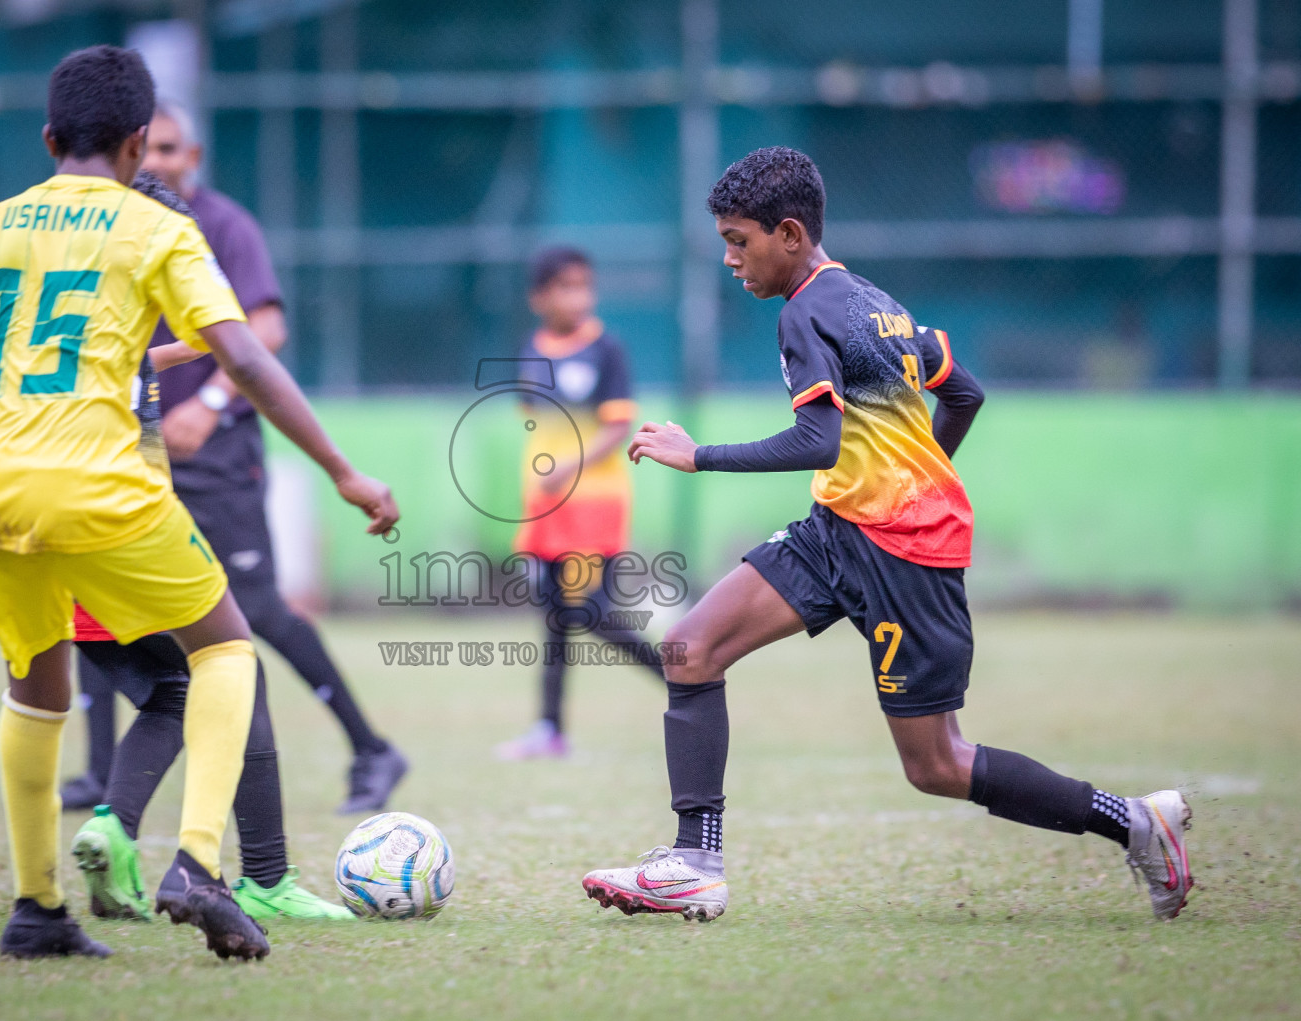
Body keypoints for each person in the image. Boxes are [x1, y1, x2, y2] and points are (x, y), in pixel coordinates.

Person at [579, 147, 1192, 923]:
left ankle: (1137, 823)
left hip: (905, 555)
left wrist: (696, 456)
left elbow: (819, 441)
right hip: (838, 532)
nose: (731, 259)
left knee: (936, 765)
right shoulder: (878, 304)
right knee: (690, 648)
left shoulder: (804, 311)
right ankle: (695, 862)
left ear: (790, 233)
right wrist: (921, 473)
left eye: (739, 241)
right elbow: (962, 391)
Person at [0, 46, 397, 960]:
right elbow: (247, 355)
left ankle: (36, 911)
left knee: (36, 686)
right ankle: (199, 867)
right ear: (140, 145)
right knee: (225, 648)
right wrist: (342, 470)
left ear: (51, 138)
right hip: (103, 485)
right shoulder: (158, 230)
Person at [60, 101, 407, 816]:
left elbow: (266, 328)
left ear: (194, 156)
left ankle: (371, 749)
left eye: (169, 149)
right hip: (132, 453)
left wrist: (207, 403)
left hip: (218, 454)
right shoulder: (107, 230)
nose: (154, 161)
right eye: (146, 148)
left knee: (252, 612)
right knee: (93, 611)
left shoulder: (222, 226)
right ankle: (99, 775)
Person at [66, 171, 349, 926]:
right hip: (132, 542)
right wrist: (345, 473)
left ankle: (108, 831)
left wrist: (183, 351)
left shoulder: (88, 334)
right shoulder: (132, 328)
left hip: (61, 560)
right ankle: (245, 875)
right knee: (229, 665)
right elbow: (254, 360)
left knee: (170, 694)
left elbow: (130, 367)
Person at [495, 248, 665, 761]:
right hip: (546, 509)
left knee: (592, 611)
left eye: (584, 286)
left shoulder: (606, 349)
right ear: (539, 297)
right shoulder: (530, 347)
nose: (579, 297)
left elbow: (617, 427)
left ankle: (684, 676)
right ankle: (549, 729)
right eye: (566, 287)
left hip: (595, 504)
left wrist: (569, 467)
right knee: (553, 618)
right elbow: (534, 421)